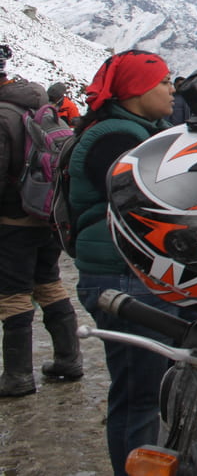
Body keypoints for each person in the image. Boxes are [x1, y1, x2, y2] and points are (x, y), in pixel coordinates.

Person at [69, 50, 197, 475]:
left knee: (158, 389)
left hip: (140, 274)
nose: (171, 89)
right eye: (162, 82)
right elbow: (151, 201)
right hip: (122, 278)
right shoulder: (114, 138)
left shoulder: (140, 130)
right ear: (137, 89)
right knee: (139, 396)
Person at [0, 47, 83, 398]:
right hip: (47, 215)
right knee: (48, 284)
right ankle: (68, 358)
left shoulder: (2, 115)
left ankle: (17, 376)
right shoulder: (44, 109)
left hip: (13, 220)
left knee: (12, 294)